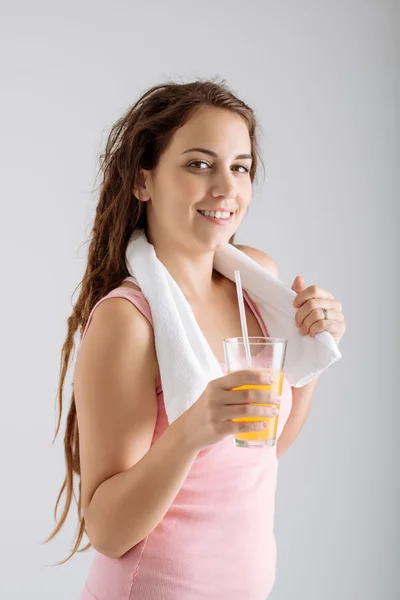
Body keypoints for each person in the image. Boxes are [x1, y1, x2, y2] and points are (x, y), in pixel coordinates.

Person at [45, 78, 346, 600]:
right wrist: (191, 431)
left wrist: (312, 346)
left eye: (240, 167)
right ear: (144, 181)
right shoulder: (128, 321)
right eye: (199, 164)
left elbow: (261, 454)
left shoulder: (254, 283)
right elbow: (109, 530)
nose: (226, 188)